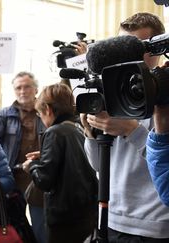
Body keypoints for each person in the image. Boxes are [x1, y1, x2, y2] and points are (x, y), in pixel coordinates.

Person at [81, 12, 169, 242]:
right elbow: (97, 165)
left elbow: (165, 163)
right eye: (121, 45)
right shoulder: (109, 91)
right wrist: (91, 134)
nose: (124, 55)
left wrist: (132, 130)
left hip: (153, 226)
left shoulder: (164, 97)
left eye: (134, 47)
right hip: (111, 218)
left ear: (156, 49)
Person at [23, 83, 98, 243]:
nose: (41, 119)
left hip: (64, 216)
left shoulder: (54, 132)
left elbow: (45, 180)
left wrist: (31, 166)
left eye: (40, 114)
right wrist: (45, 155)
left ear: (48, 110)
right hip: (85, 213)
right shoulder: (78, 127)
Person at [0, 71, 46, 243]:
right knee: (16, 227)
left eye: (27, 87)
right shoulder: (3, 115)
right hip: (13, 180)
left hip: (39, 179)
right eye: (18, 87)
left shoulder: (45, 112)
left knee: (40, 228)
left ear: (36, 89)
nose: (23, 91)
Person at [147, 104, 169, 206]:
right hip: (114, 211)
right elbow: (97, 165)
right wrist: (92, 136)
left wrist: (132, 131)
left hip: (157, 214)